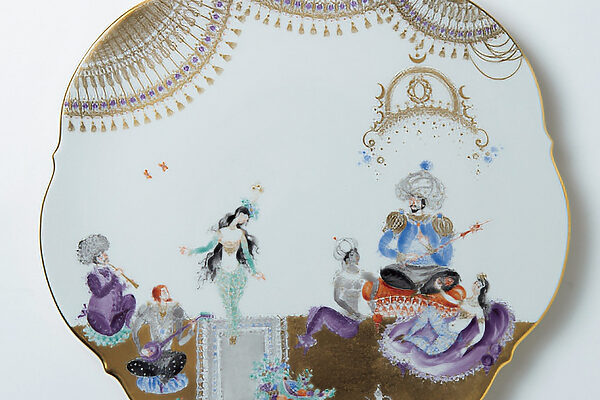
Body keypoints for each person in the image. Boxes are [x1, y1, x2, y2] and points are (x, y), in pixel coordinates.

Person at [181, 205, 265, 344]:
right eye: (243, 216)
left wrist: (255, 271)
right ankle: (234, 331)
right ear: (238, 213)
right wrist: (191, 251)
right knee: (228, 304)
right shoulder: (221, 232)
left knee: (234, 304)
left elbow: (246, 254)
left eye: (246, 218)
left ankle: (234, 328)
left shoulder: (241, 234)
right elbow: (208, 247)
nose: (244, 219)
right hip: (224, 273)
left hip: (237, 273)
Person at [378, 163, 460, 294]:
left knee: (451, 277)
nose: (412, 202)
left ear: (424, 202)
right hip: (406, 271)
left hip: (432, 271)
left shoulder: (436, 223)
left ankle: (426, 287)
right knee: (387, 272)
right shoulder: (401, 221)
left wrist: (428, 246)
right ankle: (418, 287)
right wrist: (402, 256)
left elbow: (445, 260)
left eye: (417, 198)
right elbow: (383, 247)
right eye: (411, 198)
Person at [296, 238, 375, 353]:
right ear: (347, 258)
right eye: (352, 254)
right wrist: (353, 312)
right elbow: (337, 299)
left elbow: (372, 290)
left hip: (355, 323)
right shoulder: (341, 277)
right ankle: (308, 336)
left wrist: (370, 309)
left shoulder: (363, 274)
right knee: (322, 310)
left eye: (356, 253)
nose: (356, 255)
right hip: (345, 319)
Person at [398, 274, 489, 355]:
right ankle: (410, 333)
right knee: (429, 309)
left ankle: (408, 338)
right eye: (476, 283)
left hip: (450, 336)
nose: (475, 286)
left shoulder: (478, 310)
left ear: (482, 291)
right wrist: (440, 290)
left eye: (479, 286)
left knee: (431, 351)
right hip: (444, 327)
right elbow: (451, 300)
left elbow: (481, 332)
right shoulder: (466, 301)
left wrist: (467, 346)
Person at [127, 285, 192, 393]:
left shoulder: (175, 311)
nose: (167, 293)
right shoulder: (149, 311)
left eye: (166, 291)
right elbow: (134, 330)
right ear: (158, 295)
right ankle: (161, 371)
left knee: (181, 357)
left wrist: (190, 333)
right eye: (164, 292)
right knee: (132, 365)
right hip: (152, 357)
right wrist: (141, 350)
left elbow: (180, 341)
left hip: (168, 355)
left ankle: (163, 373)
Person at [76, 234, 136, 345]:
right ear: (94, 259)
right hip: (99, 314)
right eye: (100, 255)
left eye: (104, 252)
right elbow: (101, 293)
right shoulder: (92, 277)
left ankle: (127, 322)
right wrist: (115, 277)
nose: (105, 256)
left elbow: (116, 290)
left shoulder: (109, 271)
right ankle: (116, 324)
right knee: (109, 331)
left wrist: (125, 285)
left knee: (130, 299)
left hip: (113, 311)